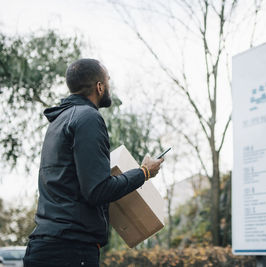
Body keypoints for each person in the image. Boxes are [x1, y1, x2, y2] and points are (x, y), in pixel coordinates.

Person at [23, 58, 163, 267]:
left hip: (46, 246)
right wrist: (143, 172)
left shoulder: (58, 121)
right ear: (99, 87)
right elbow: (97, 190)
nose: (109, 86)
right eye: (108, 80)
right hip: (70, 251)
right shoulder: (88, 118)